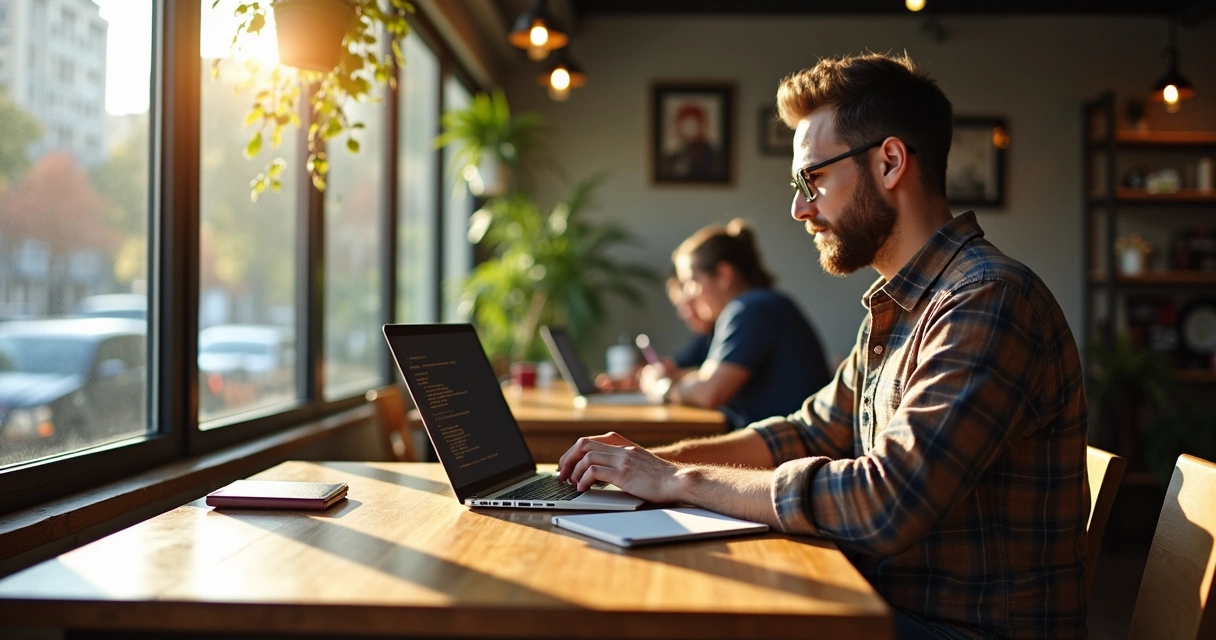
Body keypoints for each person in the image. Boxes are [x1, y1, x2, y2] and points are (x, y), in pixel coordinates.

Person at [558, 53, 1088, 640]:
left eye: (812, 179)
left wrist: (677, 483)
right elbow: (805, 433)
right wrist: (652, 465)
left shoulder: (988, 300)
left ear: (890, 163)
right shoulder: (897, 308)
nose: (799, 208)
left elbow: (887, 501)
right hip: (885, 602)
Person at [641, 219, 831, 430]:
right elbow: (708, 376)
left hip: (787, 455)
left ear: (723, 275)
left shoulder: (750, 309)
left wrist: (663, 387)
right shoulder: (762, 304)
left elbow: (709, 392)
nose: (687, 295)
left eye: (691, 282)